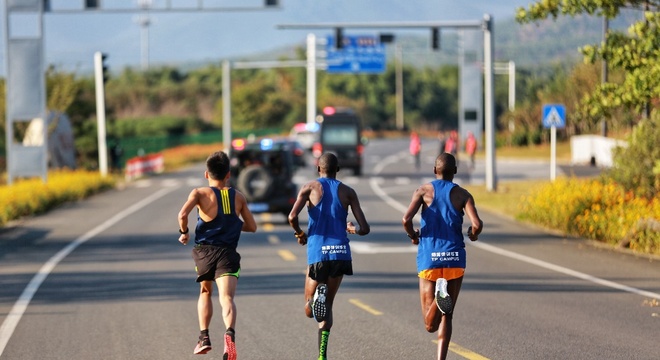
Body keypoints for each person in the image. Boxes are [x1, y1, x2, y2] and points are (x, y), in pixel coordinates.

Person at [288, 153, 370, 360]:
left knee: (310, 309)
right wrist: (352, 229)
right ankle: (322, 355)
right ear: (338, 169)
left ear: (318, 169)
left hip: (318, 253)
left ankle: (315, 299)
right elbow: (365, 228)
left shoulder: (310, 188)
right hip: (340, 254)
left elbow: (291, 216)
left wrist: (300, 233)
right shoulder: (348, 192)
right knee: (328, 308)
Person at [401, 153, 483, 360]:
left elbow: (406, 219)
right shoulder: (463, 195)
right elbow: (477, 224)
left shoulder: (423, 191)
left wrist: (413, 235)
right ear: (455, 171)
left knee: (430, 325)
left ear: (434, 171)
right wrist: (473, 235)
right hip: (455, 257)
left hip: (430, 257)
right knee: (448, 314)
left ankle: (439, 299)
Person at [177, 151, 257, 359]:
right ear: (228, 174)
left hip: (204, 252)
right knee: (227, 297)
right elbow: (252, 226)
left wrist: (184, 233)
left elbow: (182, 215)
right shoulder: (237, 196)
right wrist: (232, 225)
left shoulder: (199, 193)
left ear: (206, 174)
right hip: (228, 253)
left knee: (205, 291)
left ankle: (204, 337)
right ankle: (229, 334)